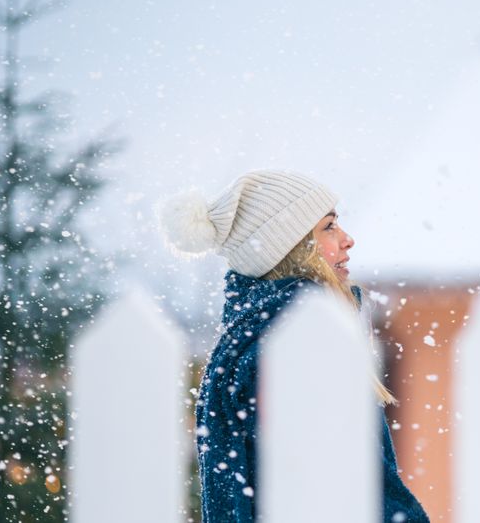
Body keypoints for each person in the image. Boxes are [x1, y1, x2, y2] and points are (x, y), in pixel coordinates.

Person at [159, 170, 429, 523]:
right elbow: (350, 479)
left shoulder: (248, 341)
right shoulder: (291, 346)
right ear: (290, 247)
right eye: (328, 227)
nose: (348, 240)